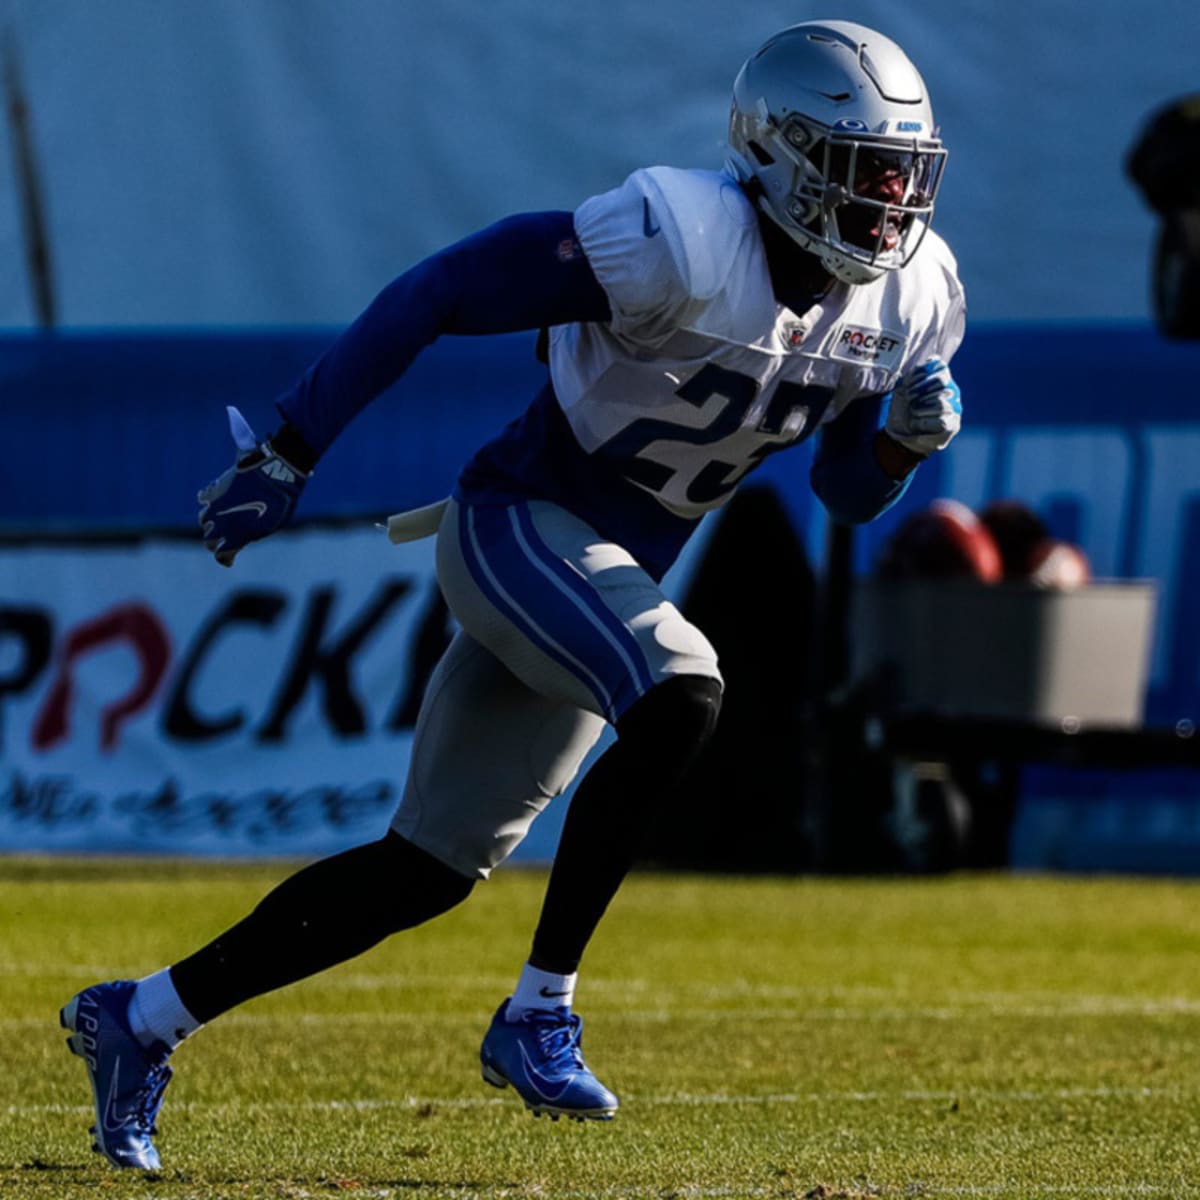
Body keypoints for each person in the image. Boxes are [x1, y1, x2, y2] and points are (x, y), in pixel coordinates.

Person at [60, 19, 965, 1169]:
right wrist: (290, 446)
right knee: (684, 689)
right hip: (516, 525)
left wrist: (895, 451)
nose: (888, 203)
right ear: (781, 157)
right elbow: (443, 287)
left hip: (601, 579)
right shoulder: (677, 238)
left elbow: (841, 490)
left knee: (425, 870)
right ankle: (540, 1012)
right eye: (862, 171)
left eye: (903, 175)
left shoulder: (916, 297)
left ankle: (138, 1019)